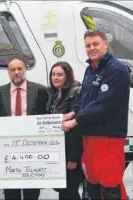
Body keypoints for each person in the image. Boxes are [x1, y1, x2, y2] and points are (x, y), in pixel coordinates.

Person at [61, 31, 130, 200]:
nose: (91, 48)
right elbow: (85, 98)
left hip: (108, 137)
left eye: (95, 44)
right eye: (88, 45)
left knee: (110, 184)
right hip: (90, 136)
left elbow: (103, 104)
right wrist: (73, 112)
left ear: (105, 44)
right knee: (92, 181)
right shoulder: (90, 69)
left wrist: (75, 121)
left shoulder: (117, 70)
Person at [0, 57, 49, 200]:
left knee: (32, 192)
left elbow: (46, 117)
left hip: (32, 148)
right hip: (7, 150)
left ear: (25, 70)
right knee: (11, 191)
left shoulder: (41, 90)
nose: (16, 72)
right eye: (13, 69)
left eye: (19, 69)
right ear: (8, 72)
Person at [46, 61, 83, 200]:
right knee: (63, 190)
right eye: (53, 75)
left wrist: (73, 157)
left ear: (67, 76)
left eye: (59, 75)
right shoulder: (54, 94)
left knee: (71, 190)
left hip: (70, 152)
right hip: (59, 151)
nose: (55, 77)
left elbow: (77, 128)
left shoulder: (75, 94)